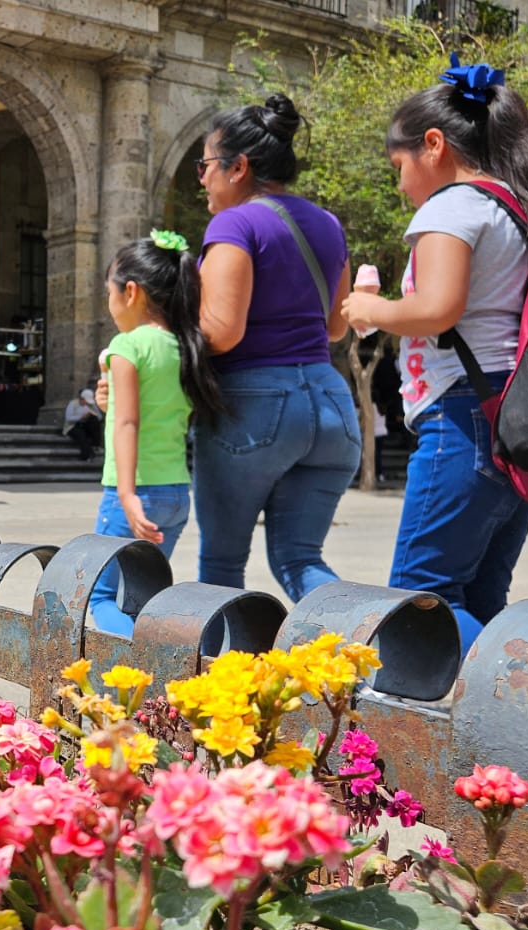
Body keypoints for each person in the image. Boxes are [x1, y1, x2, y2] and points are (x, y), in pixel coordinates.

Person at [342, 56, 528, 653]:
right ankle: (505, 708)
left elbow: (438, 309)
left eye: (399, 167)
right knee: (480, 592)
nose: (400, 185)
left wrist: (372, 309)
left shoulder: (452, 205)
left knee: (421, 596)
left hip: (463, 417)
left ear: (434, 145)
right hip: (515, 416)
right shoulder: (516, 205)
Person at [193, 93, 361, 601]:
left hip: (254, 407)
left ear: (238, 167)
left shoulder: (234, 223)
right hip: (331, 405)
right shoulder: (329, 224)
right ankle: (365, 637)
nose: (201, 179)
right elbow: (337, 326)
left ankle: (228, 658)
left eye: (205, 165)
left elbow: (222, 331)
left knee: (222, 562)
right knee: (300, 559)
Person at [90, 232, 224, 636]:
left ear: (131, 292)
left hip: (136, 493)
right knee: (143, 597)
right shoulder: (186, 346)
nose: (109, 302)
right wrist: (108, 404)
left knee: (100, 598)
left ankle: (136, 670)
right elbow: (155, 412)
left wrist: (127, 495)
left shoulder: (127, 346)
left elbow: (129, 423)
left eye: (109, 291)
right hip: (175, 495)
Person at [63, 387, 103, 460]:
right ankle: (87, 454)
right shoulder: (73, 403)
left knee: (94, 421)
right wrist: (81, 417)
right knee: (80, 434)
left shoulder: (91, 405)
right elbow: (68, 418)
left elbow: (99, 417)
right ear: (82, 399)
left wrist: (93, 411)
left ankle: (96, 444)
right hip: (73, 426)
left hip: (85, 425)